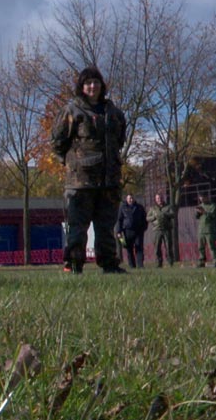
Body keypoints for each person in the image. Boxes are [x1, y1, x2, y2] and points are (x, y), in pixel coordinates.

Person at [51, 66, 128, 275]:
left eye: (96, 82)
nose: (92, 86)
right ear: (81, 87)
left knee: (106, 227)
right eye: (88, 83)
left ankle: (109, 264)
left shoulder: (114, 113)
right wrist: (71, 163)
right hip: (80, 182)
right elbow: (58, 141)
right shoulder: (72, 111)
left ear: (102, 85)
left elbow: (119, 140)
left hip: (109, 181)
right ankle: (74, 264)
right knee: (78, 226)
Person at [114, 194, 148, 268]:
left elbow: (144, 218)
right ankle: (132, 266)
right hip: (127, 231)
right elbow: (119, 220)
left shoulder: (139, 207)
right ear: (126, 199)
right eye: (129, 198)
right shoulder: (122, 208)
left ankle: (140, 265)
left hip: (138, 231)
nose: (131, 200)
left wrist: (144, 228)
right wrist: (118, 231)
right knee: (129, 249)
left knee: (139, 248)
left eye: (132, 198)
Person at [148, 193, 176, 267]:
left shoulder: (168, 207)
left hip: (166, 229)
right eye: (157, 198)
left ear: (162, 198)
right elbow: (147, 218)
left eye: (160, 198)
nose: (159, 199)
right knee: (157, 248)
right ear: (155, 199)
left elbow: (173, 214)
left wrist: (165, 214)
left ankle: (170, 262)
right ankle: (158, 263)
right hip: (157, 230)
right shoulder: (152, 208)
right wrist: (154, 217)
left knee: (168, 246)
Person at [194, 194, 216, 267]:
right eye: (200, 197)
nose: (201, 199)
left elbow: (213, 216)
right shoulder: (200, 206)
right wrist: (197, 212)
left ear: (207, 197)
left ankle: (215, 260)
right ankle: (201, 261)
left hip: (209, 229)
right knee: (200, 247)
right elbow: (197, 217)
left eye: (203, 197)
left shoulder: (212, 206)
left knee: (211, 246)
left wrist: (204, 212)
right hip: (201, 230)